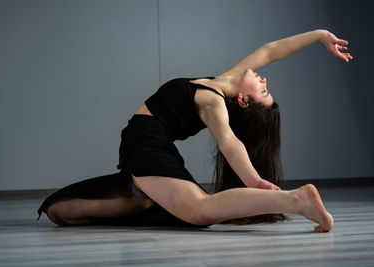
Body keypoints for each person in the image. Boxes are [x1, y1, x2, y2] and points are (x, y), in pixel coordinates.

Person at [38, 29, 352, 232]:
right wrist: (319, 36)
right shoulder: (222, 80)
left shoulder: (212, 102)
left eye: (264, 92)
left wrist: (254, 181)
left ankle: (296, 201)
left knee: (200, 211)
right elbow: (270, 50)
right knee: (59, 212)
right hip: (144, 148)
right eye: (266, 87)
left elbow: (229, 143)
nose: (265, 81)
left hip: (147, 145)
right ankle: (146, 201)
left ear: (242, 100)